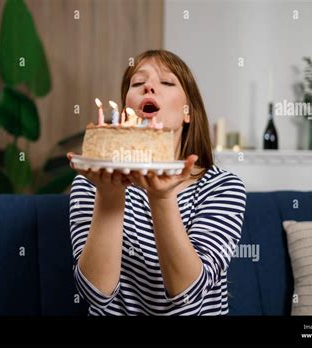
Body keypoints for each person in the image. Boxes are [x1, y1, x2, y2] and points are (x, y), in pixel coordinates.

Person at [67, 49, 247, 315]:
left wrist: (162, 198)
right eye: (138, 83)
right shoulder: (93, 182)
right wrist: (110, 197)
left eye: (167, 82)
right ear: (125, 110)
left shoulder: (222, 187)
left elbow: (188, 294)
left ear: (188, 112)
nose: (149, 87)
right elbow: (96, 294)